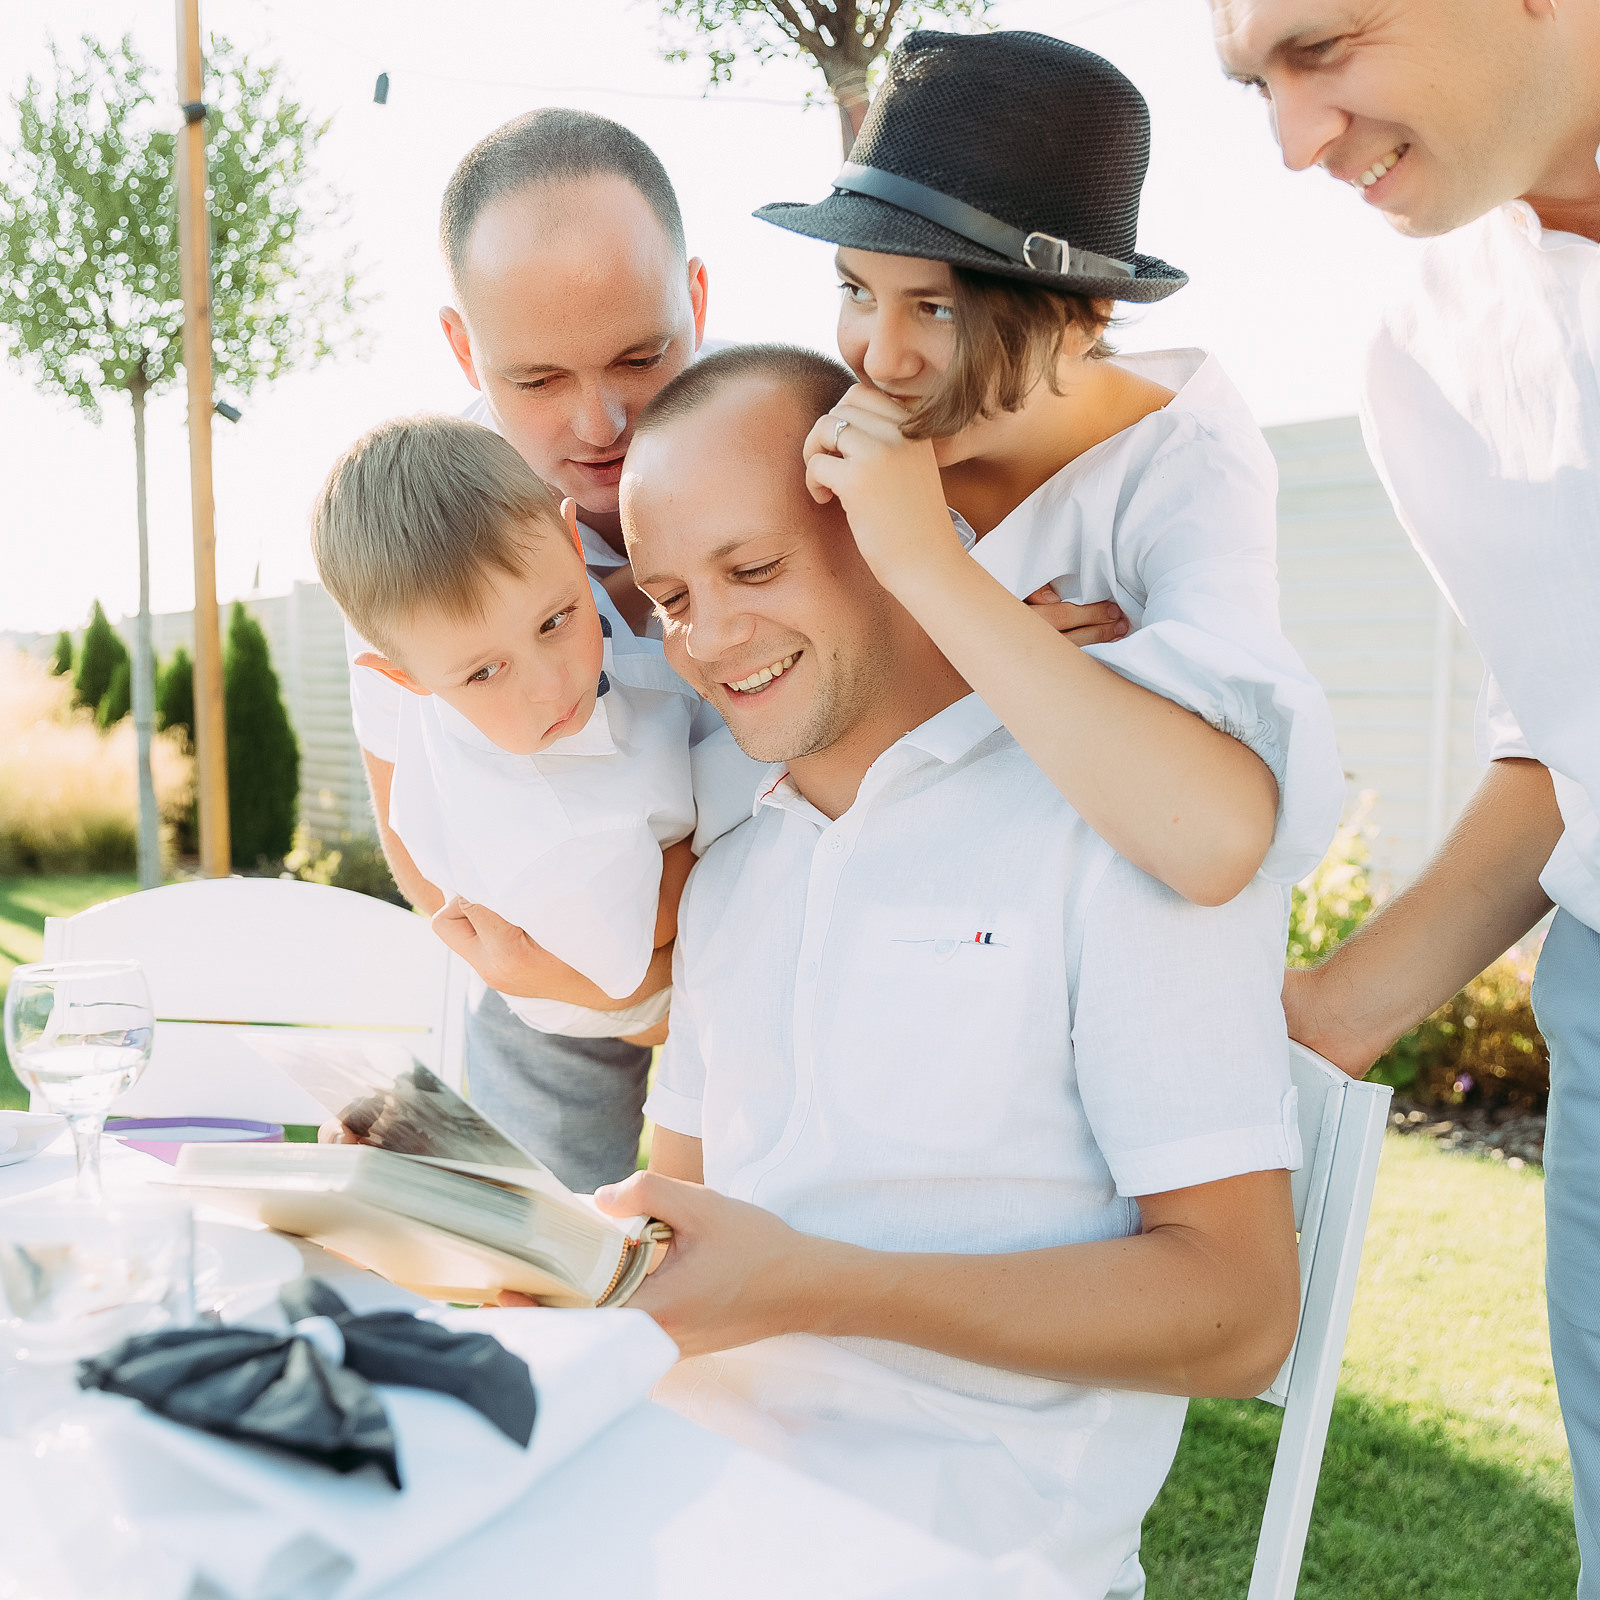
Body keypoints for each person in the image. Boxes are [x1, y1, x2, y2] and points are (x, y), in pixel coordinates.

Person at [590, 343, 1303, 1596]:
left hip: (964, 1551)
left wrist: (820, 1288)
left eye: (752, 568)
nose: (709, 636)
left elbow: (1241, 1313)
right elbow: (675, 1237)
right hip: (689, 1501)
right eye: (670, 597)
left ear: (891, 526)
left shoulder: (1113, 821)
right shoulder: (732, 870)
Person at [1211, 1, 1600, 1588]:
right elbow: (1570, 743)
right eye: (1258, 83)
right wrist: (1323, 1013)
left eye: (1322, 47)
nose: (1294, 141)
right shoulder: (1427, 363)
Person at [755, 30, 1344, 905]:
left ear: (1083, 315)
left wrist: (931, 569)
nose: (880, 356)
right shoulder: (832, 433)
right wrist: (1000, 665)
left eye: (937, 308)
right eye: (857, 291)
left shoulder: (1184, 472)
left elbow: (1214, 843)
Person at [344, 109, 712, 1189]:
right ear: (465, 349)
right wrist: (552, 976)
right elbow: (418, 826)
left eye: (641, 357)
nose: (599, 424)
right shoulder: (419, 540)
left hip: (746, 933)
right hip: (540, 961)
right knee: (520, 1221)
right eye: (538, 380)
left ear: (695, 301)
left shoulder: (781, 454)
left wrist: (657, 982)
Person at [312, 414, 754, 1041]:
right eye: (485, 673)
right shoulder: (551, 837)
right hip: (606, 980)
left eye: (555, 622)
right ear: (405, 679)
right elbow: (640, 955)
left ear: (576, 548)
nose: (550, 685)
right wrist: (709, 829)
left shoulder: (493, 615)